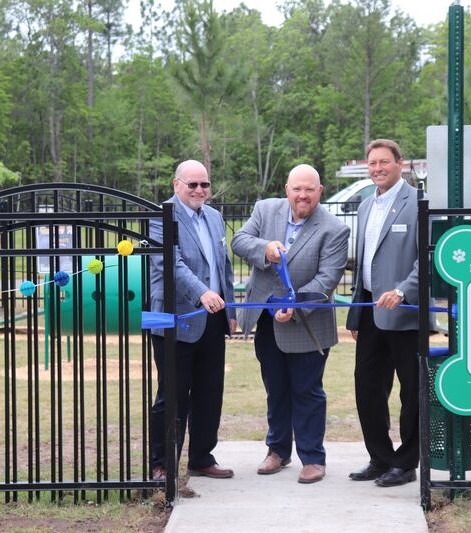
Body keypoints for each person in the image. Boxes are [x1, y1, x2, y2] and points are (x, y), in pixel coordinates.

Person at [231, 164, 349, 484]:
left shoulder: (334, 229)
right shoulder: (264, 210)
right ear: (287, 189)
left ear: (320, 192)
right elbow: (239, 241)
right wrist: (264, 249)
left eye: (309, 189)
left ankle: (312, 458)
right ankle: (278, 451)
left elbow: (326, 279)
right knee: (276, 389)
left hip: (306, 325)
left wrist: (294, 310)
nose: (303, 195)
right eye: (297, 189)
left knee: (307, 391)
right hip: (266, 321)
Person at [148, 159, 236, 482]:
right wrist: (202, 293)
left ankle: (201, 457)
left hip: (212, 318)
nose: (200, 190)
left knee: (210, 392)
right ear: (176, 185)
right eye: (193, 184)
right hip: (172, 317)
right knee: (171, 394)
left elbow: (224, 267)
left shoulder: (214, 217)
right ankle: (161, 464)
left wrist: (231, 313)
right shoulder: (161, 217)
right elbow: (170, 264)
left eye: (205, 184)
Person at [346, 139, 421, 487]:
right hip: (370, 314)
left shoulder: (417, 204)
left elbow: (428, 258)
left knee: (411, 392)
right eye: (372, 163)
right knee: (368, 388)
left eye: (384, 163)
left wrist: (404, 290)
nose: (377, 169)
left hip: (404, 315)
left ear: (400, 164)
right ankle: (380, 457)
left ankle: (405, 464)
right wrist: (354, 315)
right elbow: (364, 262)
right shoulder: (364, 206)